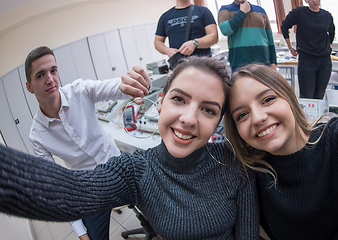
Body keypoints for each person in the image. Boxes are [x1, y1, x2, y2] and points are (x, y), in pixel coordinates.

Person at [0, 56, 259, 240]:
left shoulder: (234, 162)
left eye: (208, 110)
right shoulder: (136, 170)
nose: (189, 119)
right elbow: (64, 192)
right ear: (160, 102)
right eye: (179, 99)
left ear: (218, 123)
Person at [24, 46, 151, 240]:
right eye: (40, 75)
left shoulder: (79, 91)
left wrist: (132, 85)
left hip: (118, 166)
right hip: (89, 189)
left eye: (53, 70)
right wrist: (81, 233)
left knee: (158, 207)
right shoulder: (37, 136)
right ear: (29, 86)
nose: (50, 79)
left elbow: (113, 87)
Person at [224, 63, 338, 239]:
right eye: (242, 115)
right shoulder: (249, 174)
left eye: (268, 99)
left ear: (289, 95)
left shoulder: (333, 138)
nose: (258, 118)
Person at [281, 0, 335, 99]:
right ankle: (305, 115)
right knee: (307, 97)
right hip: (307, 61)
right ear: (306, 0)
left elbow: (332, 31)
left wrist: (329, 45)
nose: (314, 1)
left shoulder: (327, 15)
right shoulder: (299, 13)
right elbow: (284, 26)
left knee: (319, 96)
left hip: (325, 62)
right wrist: (290, 47)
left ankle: (318, 115)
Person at [154, 0, 218, 69]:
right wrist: (167, 50)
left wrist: (195, 43)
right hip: (179, 67)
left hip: (203, 66)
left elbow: (214, 36)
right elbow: (158, 41)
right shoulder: (165, 17)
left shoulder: (203, 11)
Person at [218, 0, 277, 73]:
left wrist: (273, 62)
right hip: (239, 63)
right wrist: (242, 12)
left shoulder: (260, 10)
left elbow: (269, 38)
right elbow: (225, 30)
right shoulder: (225, 9)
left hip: (263, 61)